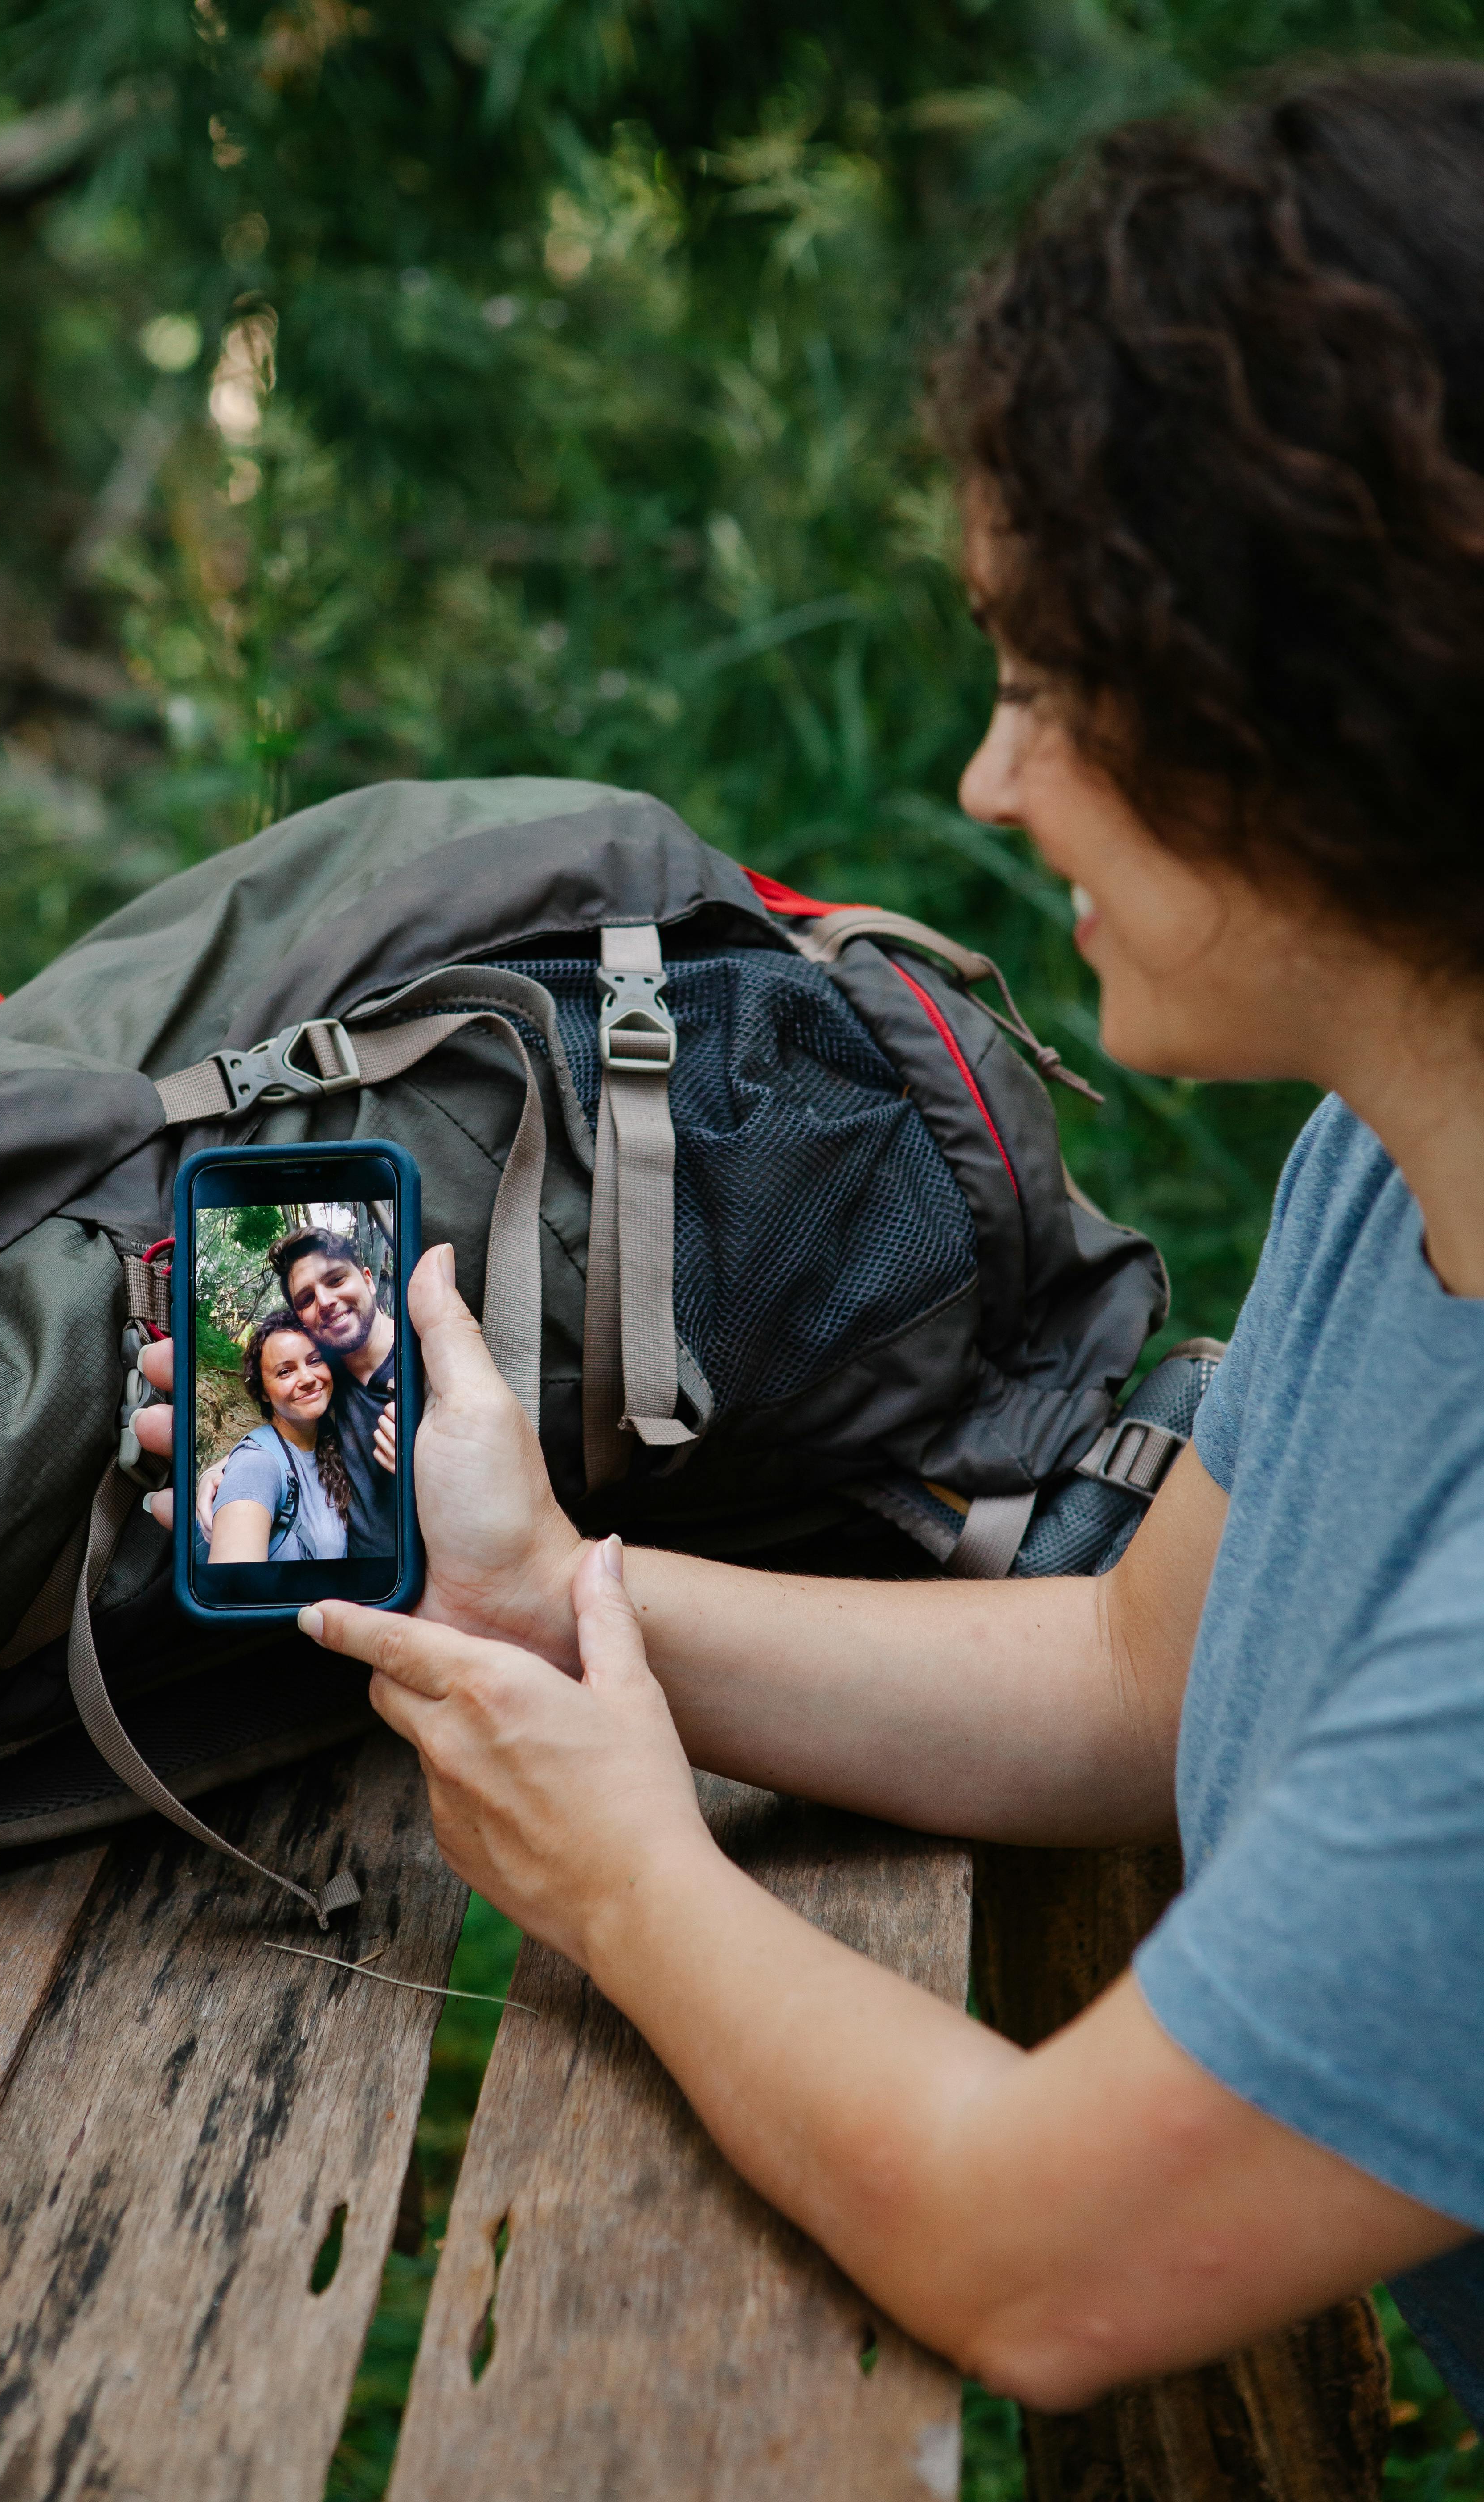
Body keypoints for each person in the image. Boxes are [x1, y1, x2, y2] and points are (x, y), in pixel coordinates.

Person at [139, 65, 1484, 2424]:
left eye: (1055, 686)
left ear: (1342, 706)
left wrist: (633, 1885)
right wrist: (548, 1594)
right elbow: (1138, 1676)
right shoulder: (1404, 1166)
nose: (988, 777)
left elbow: (1037, 2249)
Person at [196, 1223, 398, 1558]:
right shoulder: (331, 1374)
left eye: (336, 1280)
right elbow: (279, 1440)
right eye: (307, 1298)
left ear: (368, 1279)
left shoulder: (428, 1361)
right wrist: (220, 1472)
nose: (326, 1301)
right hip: (354, 1588)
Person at [206, 1310, 350, 1562]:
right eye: (285, 1372)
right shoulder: (256, 1466)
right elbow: (233, 1590)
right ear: (263, 1392)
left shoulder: (332, 1442)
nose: (307, 1378)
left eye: (315, 1361)